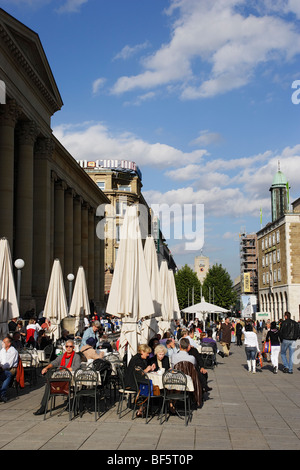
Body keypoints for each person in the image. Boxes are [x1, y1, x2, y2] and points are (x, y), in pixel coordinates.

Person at [33, 340, 81, 415]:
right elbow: (54, 363)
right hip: (60, 378)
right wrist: (46, 367)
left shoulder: (76, 356)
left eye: (70, 346)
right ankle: (43, 407)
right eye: (67, 346)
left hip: (70, 379)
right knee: (48, 385)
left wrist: (65, 370)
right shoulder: (62, 356)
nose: (68, 348)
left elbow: (76, 367)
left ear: (73, 347)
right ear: (65, 347)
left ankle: (73, 405)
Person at [0, 336, 19, 402]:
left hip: (10, 369)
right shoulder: (2, 350)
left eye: (4, 342)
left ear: (8, 344)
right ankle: (2, 393)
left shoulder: (13, 351)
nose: (2, 343)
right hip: (2, 368)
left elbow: (9, 364)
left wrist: (1, 368)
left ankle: (2, 394)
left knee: (8, 374)